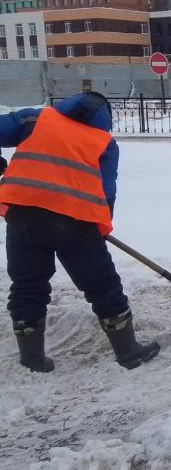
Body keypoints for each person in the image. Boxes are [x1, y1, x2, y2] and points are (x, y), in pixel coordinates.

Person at [0, 92, 160, 372]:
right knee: (102, 285)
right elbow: (106, 190)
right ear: (106, 119)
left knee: (27, 286)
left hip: (23, 215)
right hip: (74, 223)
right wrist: (101, 225)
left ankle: (32, 359)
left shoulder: (34, 118)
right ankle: (128, 351)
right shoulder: (103, 141)